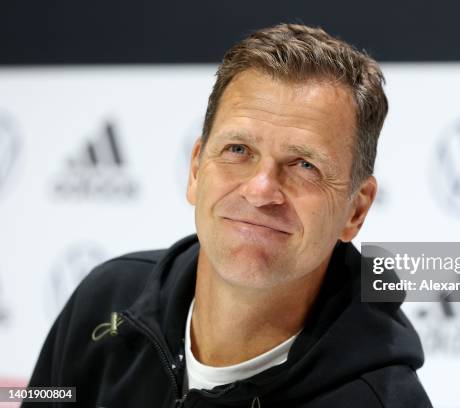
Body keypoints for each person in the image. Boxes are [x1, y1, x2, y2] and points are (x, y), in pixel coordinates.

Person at [26, 23, 432, 407]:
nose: (260, 190)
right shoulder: (107, 301)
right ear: (197, 169)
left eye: (304, 165)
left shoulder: (380, 399)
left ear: (356, 210)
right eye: (238, 150)